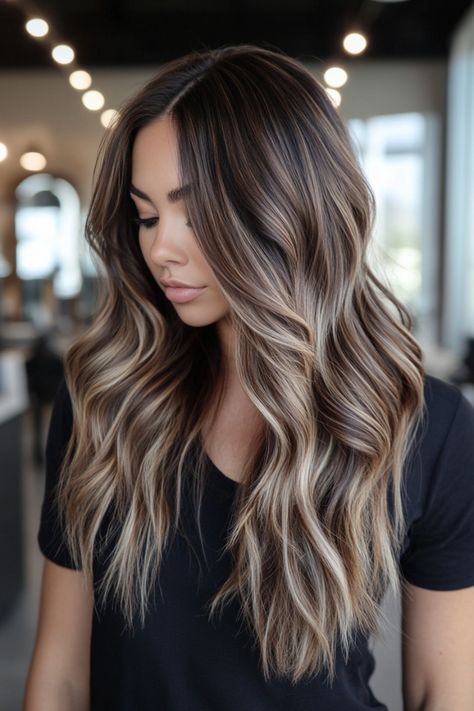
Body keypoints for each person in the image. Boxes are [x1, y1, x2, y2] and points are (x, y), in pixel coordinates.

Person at [23, 44, 474, 711]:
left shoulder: (424, 425)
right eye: (146, 215)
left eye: (194, 210)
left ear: (289, 205)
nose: (158, 248)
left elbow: (446, 690)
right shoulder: (105, 402)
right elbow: (60, 675)